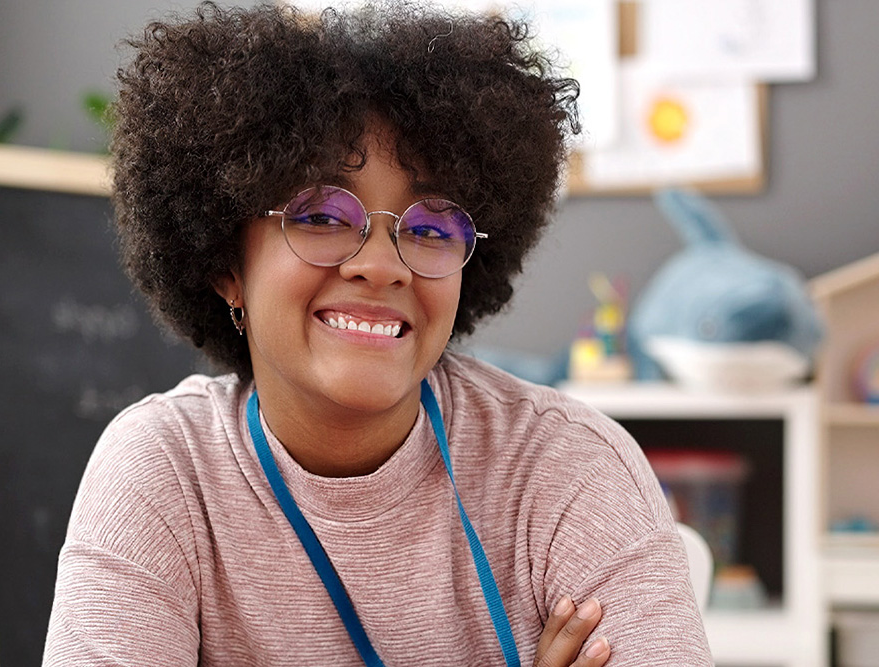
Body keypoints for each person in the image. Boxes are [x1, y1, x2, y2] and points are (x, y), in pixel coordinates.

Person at [43, 2, 712, 665]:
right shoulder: (162, 474)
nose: (382, 265)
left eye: (429, 227)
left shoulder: (568, 470)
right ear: (226, 264)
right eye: (321, 215)